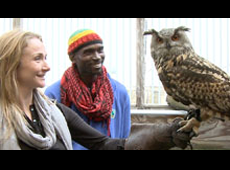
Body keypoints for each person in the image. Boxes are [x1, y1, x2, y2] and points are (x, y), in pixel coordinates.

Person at [0, 29, 193, 150]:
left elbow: (104, 144)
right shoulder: (53, 93)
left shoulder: (52, 110)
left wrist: (164, 135)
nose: (47, 66)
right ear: (12, 64)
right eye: (37, 59)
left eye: (46, 57)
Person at [45, 29, 131, 150]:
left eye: (100, 50)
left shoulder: (119, 93)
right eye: (88, 52)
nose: (97, 57)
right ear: (72, 57)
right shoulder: (54, 95)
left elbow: (124, 136)